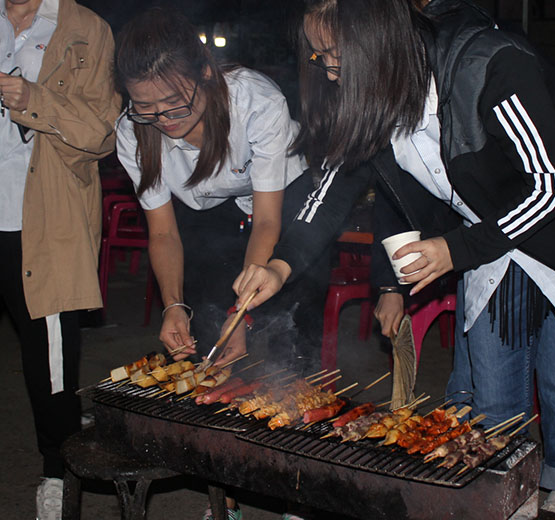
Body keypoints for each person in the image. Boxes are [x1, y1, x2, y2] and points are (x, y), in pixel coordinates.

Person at [235, 1, 555, 519]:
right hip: (490, 229)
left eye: (335, 56)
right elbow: (330, 186)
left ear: (379, 40)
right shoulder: (378, 95)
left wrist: (453, 250)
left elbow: (551, 186)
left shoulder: (488, 65)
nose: (327, 71)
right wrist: (280, 265)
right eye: (320, 56)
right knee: (494, 412)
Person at [113, 8, 325, 519]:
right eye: (148, 109)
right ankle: (223, 498)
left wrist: (244, 313)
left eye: (175, 104)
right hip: (209, 212)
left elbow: (268, 222)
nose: (164, 120)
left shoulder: (257, 101)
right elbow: (163, 232)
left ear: (205, 71)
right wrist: (173, 305)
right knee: (214, 353)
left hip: (288, 207)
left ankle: (298, 492)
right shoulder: (132, 132)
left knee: (286, 350)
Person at [0, 0, 121, 517]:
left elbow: (100, 134)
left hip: (41, 222)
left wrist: (34, 98)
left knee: (47, 363)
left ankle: (57, 472)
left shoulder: (84, 29)